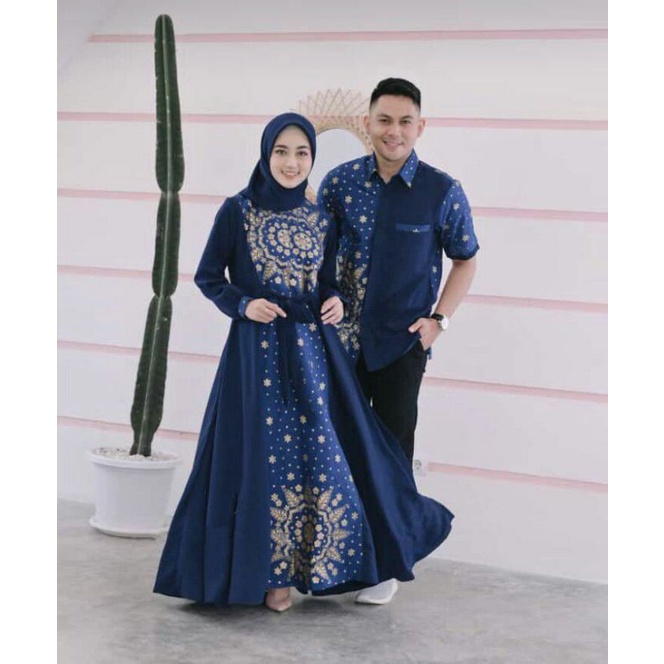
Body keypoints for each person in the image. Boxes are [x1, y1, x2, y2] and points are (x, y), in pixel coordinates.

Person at [153, 113, 454, 612]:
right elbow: (209, 277)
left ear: (312, 159)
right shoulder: (237, 210)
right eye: (282, 152)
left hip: (312, 353)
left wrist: (333, 299)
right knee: (261, 456)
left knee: (315, 457)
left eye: (302, 153)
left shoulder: (320, 220)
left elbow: (325, 281)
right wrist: (243, 304)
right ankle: (264, 577)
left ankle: (299, 572)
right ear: (266, 153)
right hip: (255, 353)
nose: (291, 163)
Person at [318, 78, 479, 604]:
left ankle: (387, 564)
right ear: (368, 123)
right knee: (335, 448)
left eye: (405, 121)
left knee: (391, 453)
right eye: (384, 120)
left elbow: (466, 260)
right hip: (339, 344)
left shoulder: (442, 191)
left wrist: (438, 322)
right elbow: (320, 258)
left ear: (420, 126)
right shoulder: (340, 184)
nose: (394, 131)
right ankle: (334, 556)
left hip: (401, 348)